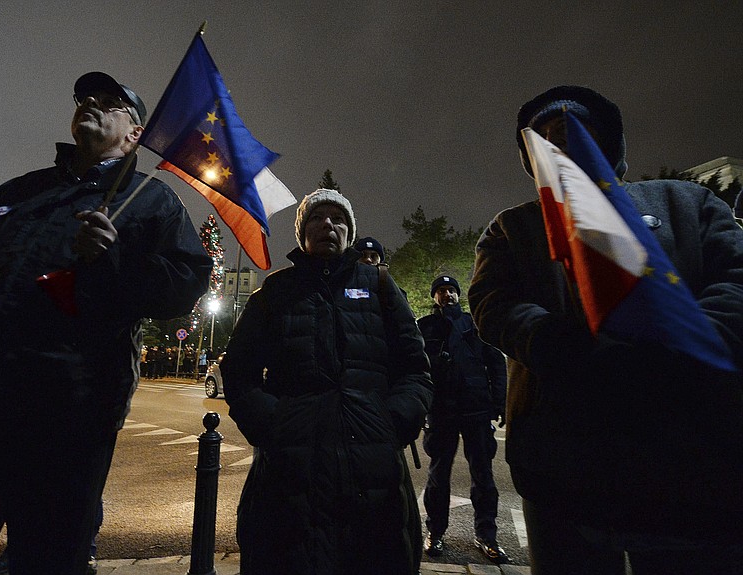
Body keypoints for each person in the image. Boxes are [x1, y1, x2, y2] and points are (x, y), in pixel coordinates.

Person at [0, 71, 211, 575]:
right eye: (86, 97)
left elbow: (185, 284)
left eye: (110, 102)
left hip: (65, 413)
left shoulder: (151, 200)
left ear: (135, 133)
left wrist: (115, 256)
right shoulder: (19, 192)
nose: (91, 102)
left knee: (48, 555)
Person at [469, 85, 743, 575]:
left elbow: (736, 277)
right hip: (562, 460)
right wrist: (564, 347)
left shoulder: (687, 202)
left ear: (608, 142)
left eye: (574, 130)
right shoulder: (512, 228)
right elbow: (494, 303)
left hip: (689, 457)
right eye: (544, 137)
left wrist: (689, 340)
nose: (559, 143)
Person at [221, 189, 434, 575]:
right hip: (291, 467)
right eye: (317, 218)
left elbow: (415, 367)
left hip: (372, 467)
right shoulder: (275, 291)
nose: (328, 225)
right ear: (302, 232)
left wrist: (392, 422)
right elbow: (238, 370)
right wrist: (274, 425)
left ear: (349, 233)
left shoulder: (381, 286)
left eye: (337, 219)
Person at [417, 275, 509, 564]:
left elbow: (496, 363)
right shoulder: (426, 327)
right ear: (435, 297)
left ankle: (487, 535)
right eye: (442, 291)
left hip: (476, 409)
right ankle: (435, 532)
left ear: (459, 295)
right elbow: (415, 366)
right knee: (437, 476)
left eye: (452, 290)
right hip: (442, 410)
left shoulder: (475, 324)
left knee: (483, 476)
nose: (448, 295)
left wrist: (500, 402)